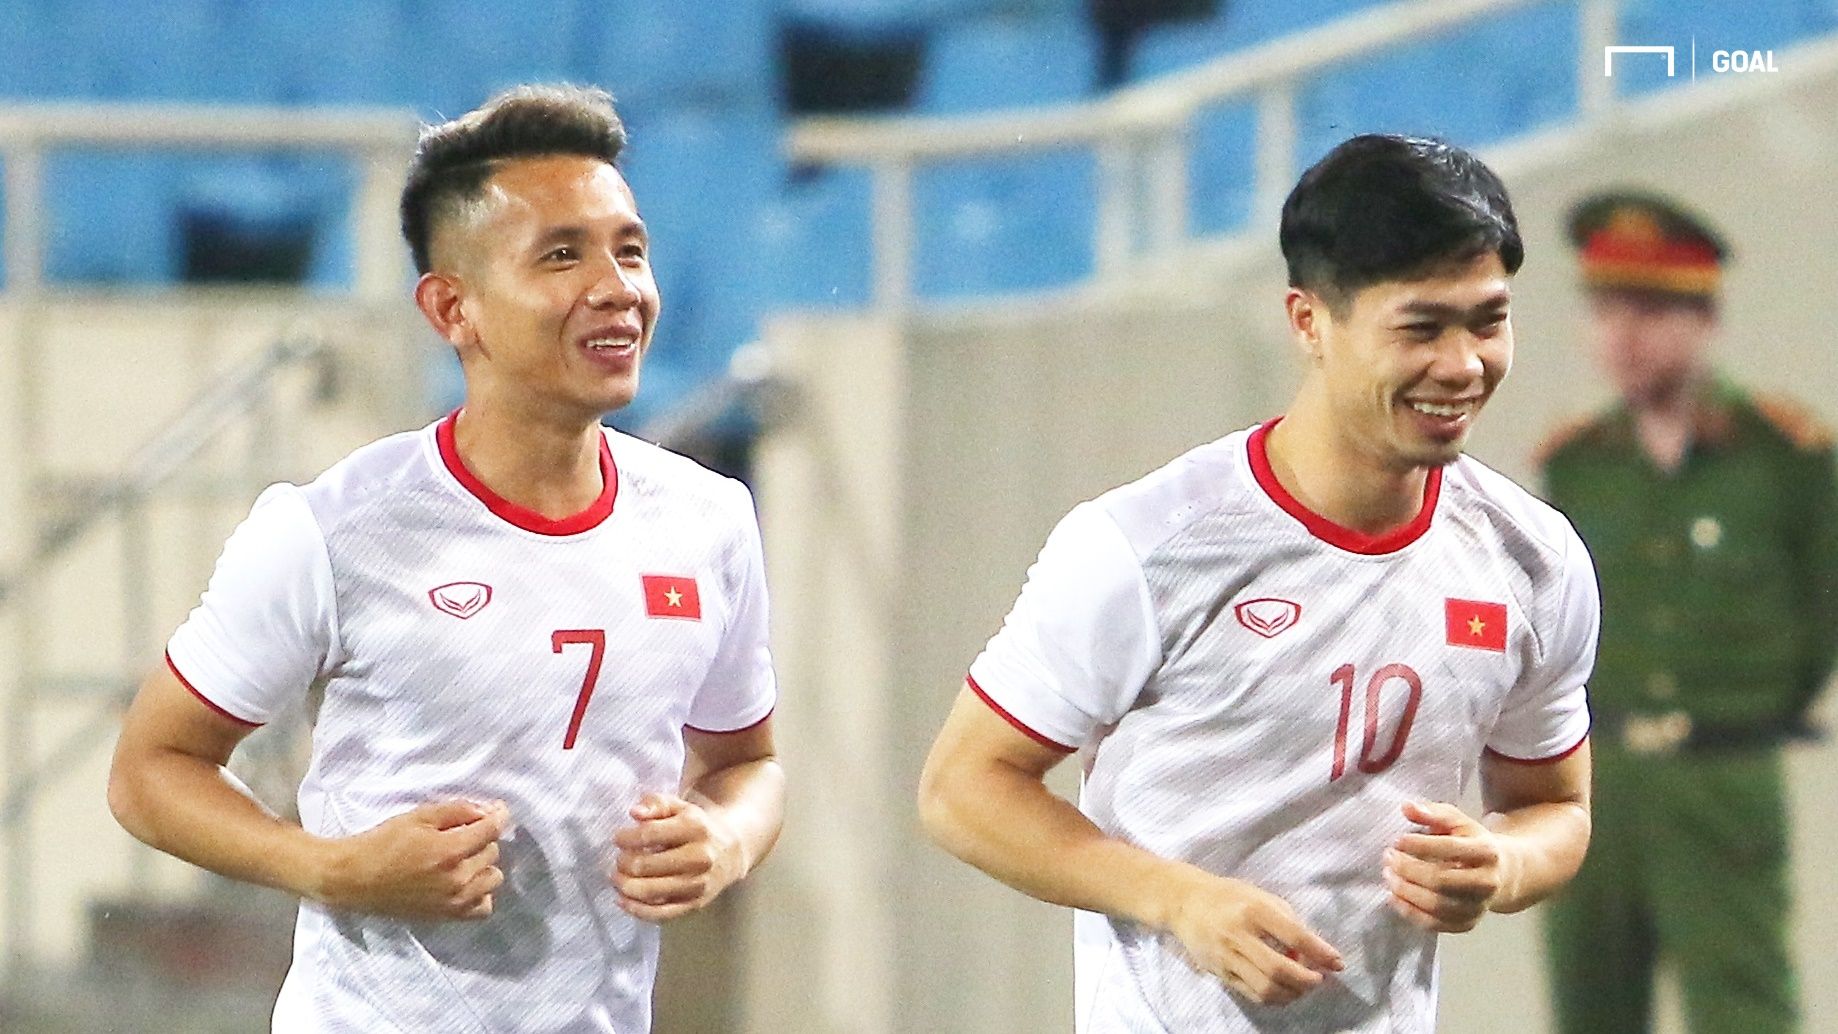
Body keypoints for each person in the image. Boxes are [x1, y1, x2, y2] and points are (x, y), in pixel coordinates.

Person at [105, 84, 784, 1033]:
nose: (617, 287)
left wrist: (726, 839)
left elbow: (749, 762)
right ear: (452, 307)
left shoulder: (710, 519)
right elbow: (151, 770)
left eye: (629, 250)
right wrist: (332, 866)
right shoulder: (332, 529)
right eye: (562, 254)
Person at [918, 134, 1598, 1032]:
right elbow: (963, 788)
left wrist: (1503, 864)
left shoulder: (1534, 559)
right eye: (1421, 328)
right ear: (1309, 321)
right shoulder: (1146, 547)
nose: (1464, 364)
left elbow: (1555, 806)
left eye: (1488, 321)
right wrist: (1177, 899)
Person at [1536, 190, 1838, 1034]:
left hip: (1721, 772)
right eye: (1605, 311)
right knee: (1589, 1010)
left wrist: (1746, 709)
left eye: (1649, 311)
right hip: (1595, 780)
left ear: (1704, 320)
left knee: (1744, 1010)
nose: (1622, 336)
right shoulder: (1578, 465)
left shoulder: (1783, 457)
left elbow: (1821, 612)